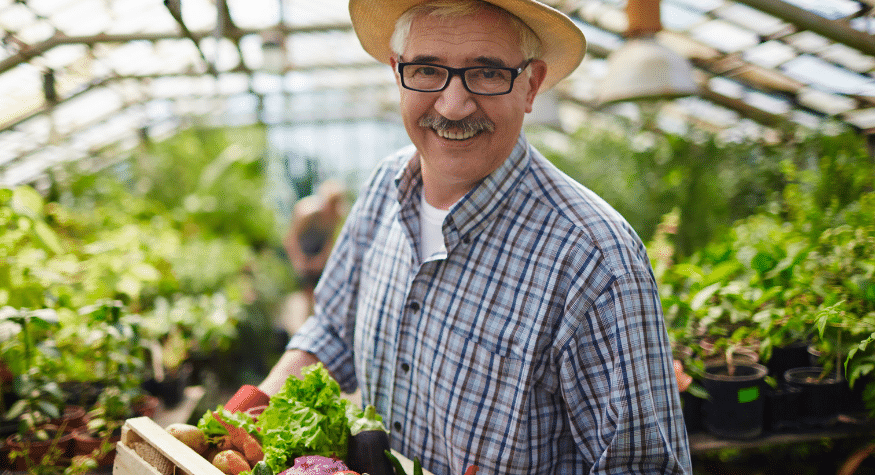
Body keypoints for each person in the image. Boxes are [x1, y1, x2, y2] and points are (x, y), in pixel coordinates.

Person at [255, 0, 693, 473]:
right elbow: (331, 333)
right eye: (426, 70)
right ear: (397, 71)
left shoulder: (594, 261)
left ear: (532, 84)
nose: (453, 105)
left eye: (486, 73)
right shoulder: (385, 187)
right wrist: (241, 420)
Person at [282, 179, 348, 318]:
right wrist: (299, 261)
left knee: (321, 292)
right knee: (307, 294)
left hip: (318, 254)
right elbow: (291, 239)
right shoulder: (306, 213)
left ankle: (316, 319)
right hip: (302, 251)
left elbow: (330, 242)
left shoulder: (336, 216)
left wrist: (320, 261)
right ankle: (306, 322)